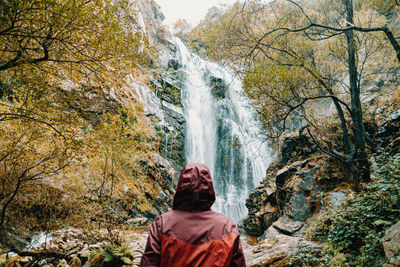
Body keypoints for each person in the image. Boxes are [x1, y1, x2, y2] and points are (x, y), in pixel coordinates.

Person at [140, 163, 246, 267]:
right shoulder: (227, 227)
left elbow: (148, 263)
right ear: (210, 189)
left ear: (180, 186)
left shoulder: (162, 223)